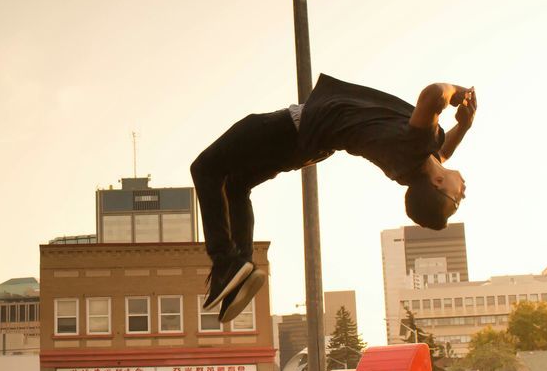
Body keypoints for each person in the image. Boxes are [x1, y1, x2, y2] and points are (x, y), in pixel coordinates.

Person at [190, 74, 476, 323]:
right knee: (237, 186)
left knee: (205, 169)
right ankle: (240, 267)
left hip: (286, 131)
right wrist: (464, 126)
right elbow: (441, 154)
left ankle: (225, 262)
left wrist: (457, 91)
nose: (463, 193)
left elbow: (433, 96)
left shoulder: (413, 148)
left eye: (456, 199)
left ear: (438, 183)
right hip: (303, 145)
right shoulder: (414, 164)